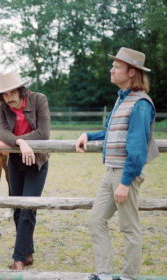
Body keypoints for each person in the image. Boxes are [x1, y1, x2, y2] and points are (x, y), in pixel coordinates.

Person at [75, 47, 159, 280]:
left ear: (131, 72)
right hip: (111, 171)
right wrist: (88, 136)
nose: (111, 70)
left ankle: (128, 277)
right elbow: (109, 132)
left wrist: (125, 181)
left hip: (125, 174)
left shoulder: (140, 104)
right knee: (96, 220)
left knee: (129, 227)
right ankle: (104, 275)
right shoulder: (122, 99)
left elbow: (137, 149)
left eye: (117, 67)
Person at [0, 71, 51, 270]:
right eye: (5, 95)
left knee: (28, 208)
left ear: (21, 90)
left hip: (37, 163)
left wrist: (24, 142)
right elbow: (1, 132)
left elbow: (43, 133)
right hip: (15, 162)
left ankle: (18, 259)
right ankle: (28, 253)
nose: (9, 99)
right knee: (18, 208)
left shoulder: (39, 100)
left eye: (12, 93)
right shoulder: (2, 107)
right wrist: (20, 143)